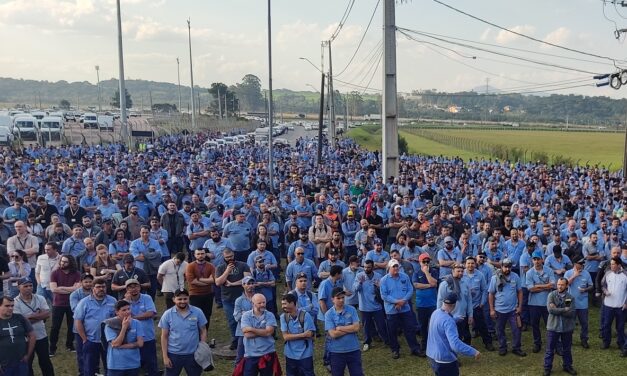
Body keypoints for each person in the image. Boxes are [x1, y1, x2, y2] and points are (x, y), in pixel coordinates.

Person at [426, 292, 481, 376]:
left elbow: (441, 324)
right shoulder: (448, 321)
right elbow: (455, 344)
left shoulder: (435, 313)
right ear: (454, 305)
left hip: (432, 356)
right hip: (445, 360)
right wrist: (473, 352)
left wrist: (454, 319)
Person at [158, 288, 207, 376]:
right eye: (179, 299)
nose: (182, 301)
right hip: (174, 355)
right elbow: (164, 336)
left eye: (185, 298)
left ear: (189, 298)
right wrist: (165, 357)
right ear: (174, 299)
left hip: (193, 354)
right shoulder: (167, 314)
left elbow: (203, 330)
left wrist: (202, 348)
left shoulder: (197, 312)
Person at [380, 259, 422, 358]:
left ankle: (415, 348)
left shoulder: (405, 276)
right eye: (393, 266)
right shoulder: (384, 280)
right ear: (389, 268)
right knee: (393, 331)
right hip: (391, 310)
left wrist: (403, 301)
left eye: (397, 266)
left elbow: (410, 290)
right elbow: (384, 295)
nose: (396, 268)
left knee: (409, 329)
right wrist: (397, 302)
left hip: (405, 308)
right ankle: (395, 350)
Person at [74, 278, 116, 376]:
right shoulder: (84, 302)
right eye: (98, 287)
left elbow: (117, 318)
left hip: (109, 340)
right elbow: (78, 321)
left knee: (110, 366)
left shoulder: (113, 300)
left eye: (103, 287)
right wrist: (84, 339)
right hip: (91, 340)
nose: (101, 289)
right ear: (93, 288)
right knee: (89, 368)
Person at [13, 277, 55, 376]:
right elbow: (20, 322)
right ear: (19, 287)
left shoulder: (40, 298)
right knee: (27, 363)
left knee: (45, 362)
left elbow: (47, 314)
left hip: (41, 336)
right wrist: (39, 315)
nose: (28, 288)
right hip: (25, 339)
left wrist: (29, 316)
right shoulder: (15, 302)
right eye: (25, 286)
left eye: (30, 285)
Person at [488, 258, 527, 357]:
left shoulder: (515, 277)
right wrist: (492, 309)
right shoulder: (494, 278)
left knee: (517, 330)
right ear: (501, 267)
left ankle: (516, 348)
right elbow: (491, 294)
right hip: (499, 310)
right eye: (505, 267)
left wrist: (519, 306)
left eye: (509, 267)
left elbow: (520, 292)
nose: (507, 269)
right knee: (500, 330)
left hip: (513, 310)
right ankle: (502, 347)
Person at [215, 248, 251, 350]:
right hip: (227, 298)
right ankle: (235, 340)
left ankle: (245, 339)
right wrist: (227, 271)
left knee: (244, 319)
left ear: (234, 255)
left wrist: (232, 284)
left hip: (242, 297)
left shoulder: (243, 265)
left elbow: (247, 280)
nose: (229, 259)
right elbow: (218, 282)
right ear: (223, 257)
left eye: (231, 256)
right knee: (232, 320)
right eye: (227, 257)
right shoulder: (220, 267)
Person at [123, 279, 159, 376]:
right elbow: (122, 317)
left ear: (139, 287)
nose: (133, 289)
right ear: (126, 289)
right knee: (134, 365)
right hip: (132, 339)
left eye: (136, 286)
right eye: (130, 287)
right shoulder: (124, 302)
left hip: (147, 337)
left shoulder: (147, 298)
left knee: (151, 364)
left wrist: (133, 317)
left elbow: (150, 313)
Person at [238, 293, 280, 376]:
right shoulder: (246, 316)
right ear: (252, 304)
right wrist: (264, 331)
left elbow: (269, 332)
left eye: (264, 302)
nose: (262, 305)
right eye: (259, 303)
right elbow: (247, 335)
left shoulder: (270, 315)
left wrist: (251, 329)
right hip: (251, 355)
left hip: (267, 353)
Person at [324, 287, 363, 376]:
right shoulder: (328, 314)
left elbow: (357, 327)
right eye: (338, 298)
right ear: (332, 299)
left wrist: (340, 328)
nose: (341, 300)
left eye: (343, 297)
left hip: (353, 349)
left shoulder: (352, 309)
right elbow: (333, 334)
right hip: (336, 352)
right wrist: (350, 329)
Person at [544, 278, 578, 376]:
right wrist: (564, 309)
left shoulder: (569, 297)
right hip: (553, 327)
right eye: (558, 284)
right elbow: (550, 311)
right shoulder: (551, 295)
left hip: (566, 327)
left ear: (566, 286)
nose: (560, 286)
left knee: (567, 348)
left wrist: (557, 309)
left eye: (562, 285)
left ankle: (567, 366)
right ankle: (547, 368)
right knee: (550, 349)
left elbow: (571, 313)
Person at [353, 259, 389, 351]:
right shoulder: (359, 276)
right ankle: (367, 342)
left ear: (372, 267)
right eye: (365, 267)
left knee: (381, 325)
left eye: (368, 267)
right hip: (364, 307)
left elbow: (384, 289)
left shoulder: (378, 276)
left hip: (377, 306)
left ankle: (387, 340)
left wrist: (379, 287)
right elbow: (355, 289)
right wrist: (360, 283)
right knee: (366, 326)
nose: (366, 269)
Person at [49, 254, 81, 356]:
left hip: (72, 304)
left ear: (70, 263)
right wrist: (70, 289)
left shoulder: (77, 274)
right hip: (58, 304)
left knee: (72, 325)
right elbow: (54, 289)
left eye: (65, 262)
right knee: (55, 327)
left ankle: (70, 345)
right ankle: (52, 348)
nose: (63, 263)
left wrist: (61, 288)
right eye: (62, 261)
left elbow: (77, 289)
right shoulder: (54, 273)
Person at [525, 250, 556, 353]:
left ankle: (553, 343)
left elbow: (552, 285)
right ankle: (537, 343)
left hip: (547, 302)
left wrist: (537, 285)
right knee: (535, 324)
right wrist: (545, 287)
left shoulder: (549, 270)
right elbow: (530, 288)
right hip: (534, 303)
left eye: (538, 259)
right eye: (534, 259)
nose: (537, 261)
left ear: (542, 259)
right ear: (532, 260)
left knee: (550, 324)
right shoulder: (529, 272)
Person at [104, 300, 144, 376]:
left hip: (133, 364)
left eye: (129, 309)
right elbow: (116, 343)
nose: (127, 312)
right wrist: (124, 327)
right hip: (116, 366)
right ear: (117, 312)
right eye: (124, 310)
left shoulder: (137, 323)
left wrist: (122, 346)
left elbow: (140, 343)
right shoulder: (110, 324)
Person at [279, 293, 315, 376]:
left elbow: (309, 334)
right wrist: (303, 334)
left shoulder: (305, 315)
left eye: (285, 304)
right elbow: (285, 337)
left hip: (305, 354)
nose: (282, 306)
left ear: (292, 303)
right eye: (282, 304)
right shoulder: (283, 317)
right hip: (290, 354)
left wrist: (291, 336)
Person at [463, 256, 494, 351]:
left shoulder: (480, 275)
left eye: (472, 263)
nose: (470, 265)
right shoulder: (461, 274)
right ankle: (466, 344)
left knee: (482, 326)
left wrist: (482, 302)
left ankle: (488, 343)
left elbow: (484, 290)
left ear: (475, 264)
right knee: (464, 327)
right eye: (468, 263)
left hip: (476, 306)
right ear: (465, 265)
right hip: (464, 307)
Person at [437, 262, 473, 345]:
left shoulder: (466, 284)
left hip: (462, 315)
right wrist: (439, 316)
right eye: (458, 271)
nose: (460, 273)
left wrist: (470, 315)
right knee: (451, 336)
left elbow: (469, 300)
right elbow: (440, 300)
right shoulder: (445, 284)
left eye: (462, 271)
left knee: (462, 334)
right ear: (453, 271)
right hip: (450, 316)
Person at [0, 296, 36, 375]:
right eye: (7, 306)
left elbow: (32, 335)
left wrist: (28, 355)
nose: (10, 308)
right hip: (4, 365)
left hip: (21, 362)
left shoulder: (19, 318)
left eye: (12, 306)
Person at [600, 256, 627, 355]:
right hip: (608, 305)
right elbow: (602, 284)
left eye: (613, 264)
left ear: (619, 265)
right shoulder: (607, 274)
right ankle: (606, 342)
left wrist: (626, 303)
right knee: (606, 325)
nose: (611, 266)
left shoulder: (625, 275)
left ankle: (621, 343)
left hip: (621, 306)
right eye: (611, 264)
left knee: (620, 327)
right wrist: (605, 291)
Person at [564, 259, 593, 348]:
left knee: (584, 323)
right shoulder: (568, 273)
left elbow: (591, 286)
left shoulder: (586, 273)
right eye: (579, 264)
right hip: (569, 301)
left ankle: (584, 340)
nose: (581, 266)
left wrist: (585, 290)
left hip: (583, 302)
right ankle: (568, 340)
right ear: (575, 263)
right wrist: (574, 276)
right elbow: (564, 285)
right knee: (569, 322)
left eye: (582, 264)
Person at [69, 273, 94, 376]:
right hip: (80, 328)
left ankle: (94, 370)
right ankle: (83, 372)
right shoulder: (75, 294)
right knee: (82, 352)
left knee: (95, 351)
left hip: (94, 328)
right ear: (81, 282)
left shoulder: (96, 292)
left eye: (90, 281)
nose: (88, 284)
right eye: (86, 281)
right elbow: (75, 309)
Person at [185, 248, 215, 330]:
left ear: (205, 254)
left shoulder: (211, 266)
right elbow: (192, 281)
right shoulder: (190, 266)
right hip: (195, 295)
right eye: (198, 254)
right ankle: (196, 336)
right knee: (195, 316)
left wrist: (199, 279)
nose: (200, 255)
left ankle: (204, 336)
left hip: (208, 294)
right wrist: (207, 282)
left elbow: (214, 280)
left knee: (207, 315)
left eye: (202, 253)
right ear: (194, 255)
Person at [233, 276, 256, 364]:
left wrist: (245, 313)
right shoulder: (239, 300)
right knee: (240, 358)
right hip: (242, 333)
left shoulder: (259, 298)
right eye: (248, 283)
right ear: (243, 285)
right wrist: (252, 314)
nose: (251, 285)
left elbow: (261, 314)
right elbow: (237, 317)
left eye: (252, 283)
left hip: (257, 331)